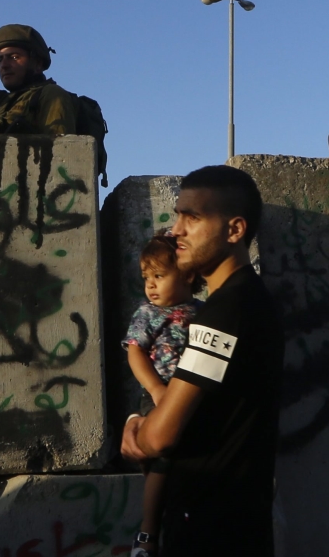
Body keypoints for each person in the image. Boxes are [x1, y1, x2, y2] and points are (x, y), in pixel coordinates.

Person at [121, 165, 284, 556]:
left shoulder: (227, 311)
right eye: (177, 216)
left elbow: (161, 436)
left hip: (214, 531)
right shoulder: (242, 302)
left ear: (234, 230)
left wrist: (136, 431)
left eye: (192, 218)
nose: (176, 230)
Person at [122, 234, 203, 557]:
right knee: (162, 460)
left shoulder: (203, 312)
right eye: (146, 277)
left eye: (159, 275)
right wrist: (157, 389)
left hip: (192, 397)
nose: (151, 285)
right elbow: (135, 352)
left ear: (188, 274)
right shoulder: (148, 313)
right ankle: (147, 533)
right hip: (159, 395)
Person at [0, 24, 77, 135]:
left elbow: (59, 149)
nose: (4, 65)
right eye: (0, 59)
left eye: (14, 57)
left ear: (38, 64)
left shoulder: (50, 94)